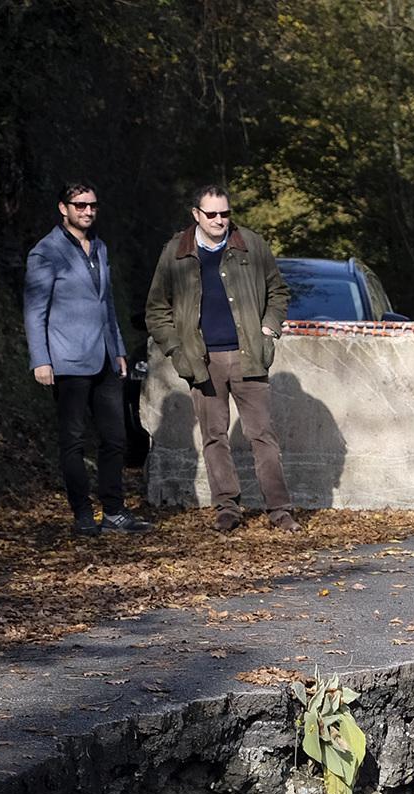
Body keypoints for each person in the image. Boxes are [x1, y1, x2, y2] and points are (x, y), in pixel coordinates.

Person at [144, 184, 298, 533]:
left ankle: (279, 509)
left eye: (225, 213)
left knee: (262, 435)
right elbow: (156, 309)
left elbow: (278, 291)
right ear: (196, 214)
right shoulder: (175, 251)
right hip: (202, 360)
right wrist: (177, 350)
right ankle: (227, 508)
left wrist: (268, 331)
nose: (219, 220)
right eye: (211, 214)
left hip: (249, 356)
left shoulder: (251, 244)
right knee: (215, 436)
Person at [22, 182, 152, 537]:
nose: (87, 211)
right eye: (80, 205)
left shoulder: (100, 248)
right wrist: (41, 359)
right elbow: (35, 310)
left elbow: (106, 303)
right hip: (66, 360)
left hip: (105, 358)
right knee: (74, 441)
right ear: (63, 208)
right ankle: (82, 514)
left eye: (92, 205)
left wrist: (120, 349)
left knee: (115, 438)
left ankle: (114, 511)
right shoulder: (45, 252)